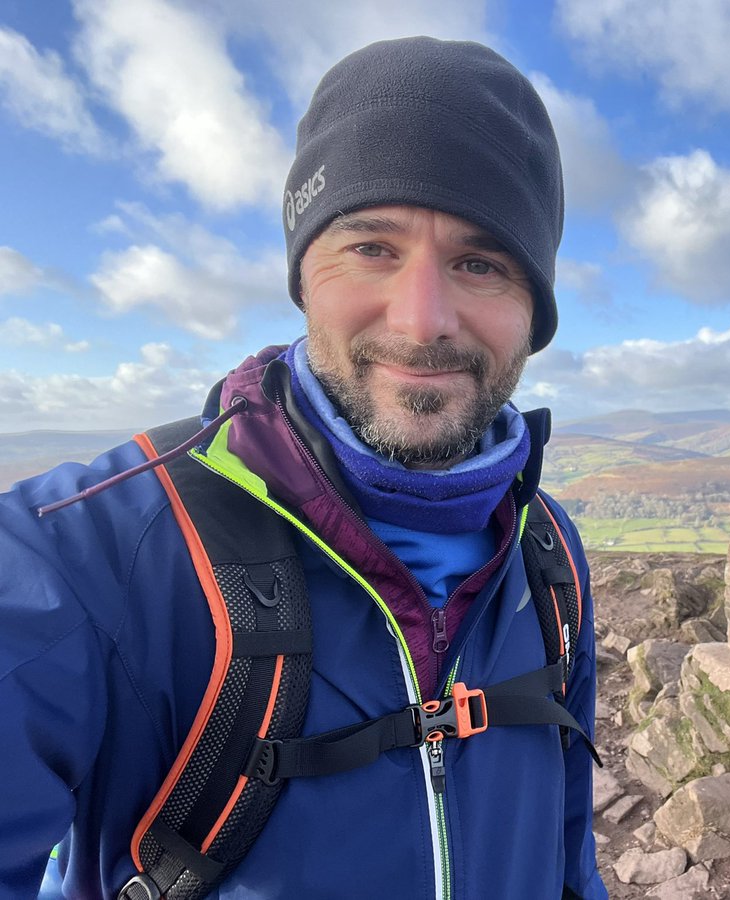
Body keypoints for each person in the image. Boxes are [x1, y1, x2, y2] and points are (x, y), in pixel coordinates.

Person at [0, 37, 607, 899]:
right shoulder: (82, 556)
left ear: (534, 305)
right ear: (303, 274)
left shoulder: (549, 556)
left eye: (480, 262)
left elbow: (568, 851)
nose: (425, 316)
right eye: (372, 248)